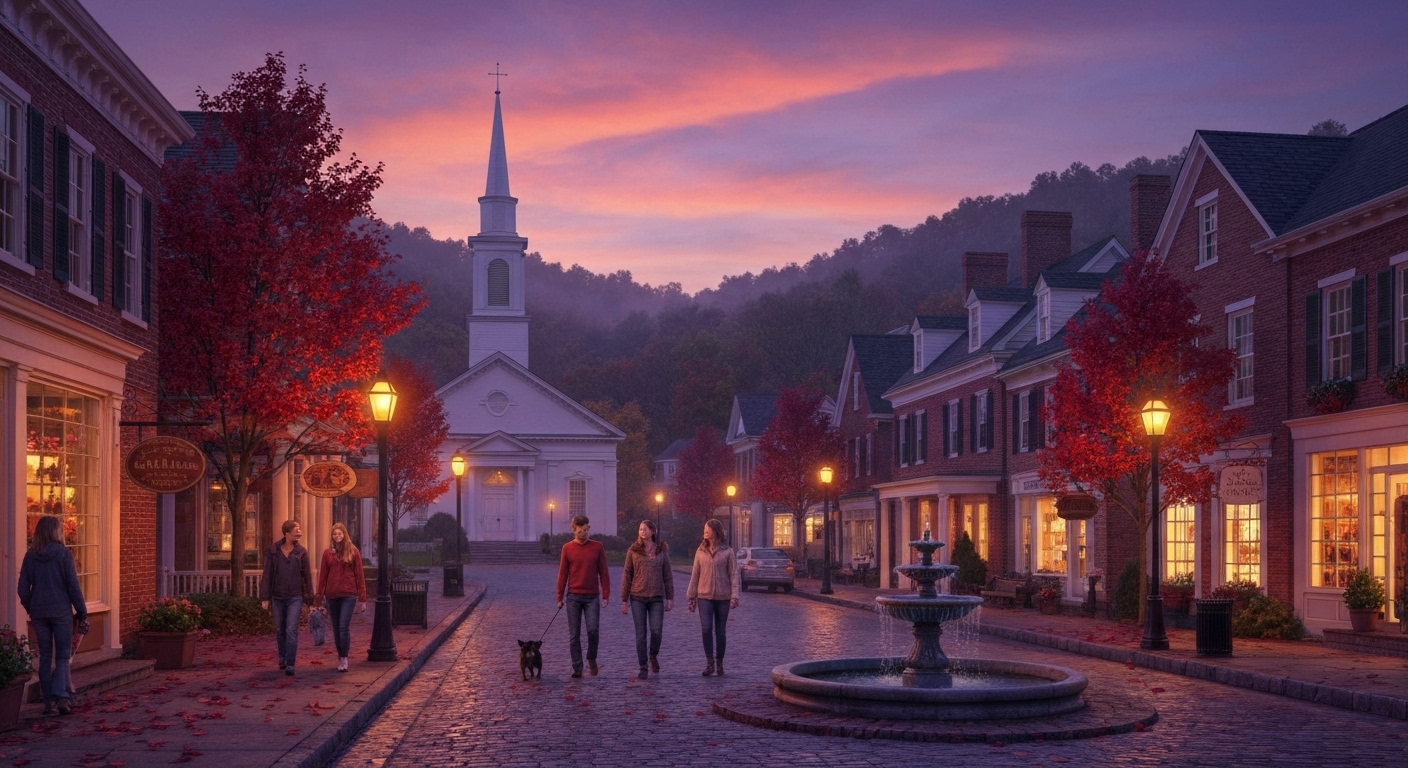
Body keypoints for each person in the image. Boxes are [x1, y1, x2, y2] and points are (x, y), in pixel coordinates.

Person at [18, 515, 86, 715]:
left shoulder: (30, 556)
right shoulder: (63, 554)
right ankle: (62, 697)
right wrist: (81, 611)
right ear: (56, 531)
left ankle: (48, 704)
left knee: (45, 656)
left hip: (39, 612)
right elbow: (73, 586)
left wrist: (31, 606)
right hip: (61, 611)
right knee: (63, 656)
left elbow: (23, 588)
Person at [556, 515, 610, 679]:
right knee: (574, 635)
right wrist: (559, 597)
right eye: (580, 531)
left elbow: (604, 572)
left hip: (592, 596)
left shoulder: (597, 547)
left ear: (588, 528)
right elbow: (563, 573)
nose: (583, 534)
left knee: (593, 630)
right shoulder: (567, 548)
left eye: (586, 530)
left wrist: (605, 594)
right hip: (573, 597)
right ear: (574, 529)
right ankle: (577, 667)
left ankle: (591, 658)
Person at [619, 520, 673, 679]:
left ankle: (653, 655)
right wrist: (624, 599)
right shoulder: (633, 550)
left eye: (645, 529)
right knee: (641, 634)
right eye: (640, 529)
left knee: (656, 631)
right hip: (637, 597)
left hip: (656, 597)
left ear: (652, 531)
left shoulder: (661, 550)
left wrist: (670, 597)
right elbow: (627, 573)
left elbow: (667, 575)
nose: (642, 531)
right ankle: (643, 666)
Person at [686, 518, 739, 676]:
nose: (705, 531)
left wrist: (734, 596)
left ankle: (720, 663)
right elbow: (695, 574)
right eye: (704, 528)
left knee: (720, 631)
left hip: (723, 597)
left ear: (715, 530)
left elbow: (734, 574)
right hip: (704, 596)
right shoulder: (700, 551)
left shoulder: (728, 551)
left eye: (707, 528)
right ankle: (709, 662)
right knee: (706, 628)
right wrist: (692, 597)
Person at [261, 520, 312, 676]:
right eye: (297, 529)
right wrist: (265, 597)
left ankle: (290, 663)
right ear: (287, 533)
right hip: (277, 597)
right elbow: (267, 574)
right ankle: (282, 657)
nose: (299, 532)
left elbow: (307, 576)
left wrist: (310, 598)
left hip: (294, 597)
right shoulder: (274, 551)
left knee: (291, 629)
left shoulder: (301, 552)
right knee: (280, 630)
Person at [315, 522, 367, 673]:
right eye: (334, 534)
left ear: (345, 535)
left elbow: (359, 575)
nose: (337, 536)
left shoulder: (353, 551)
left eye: (340, 534)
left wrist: (362, 599)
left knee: (343, 627)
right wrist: (318, 597)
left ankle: (344, 657)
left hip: (348, 595)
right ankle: (340, 656)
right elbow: (323, 576)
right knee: (337, 629)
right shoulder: (327, 553)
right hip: (332, 595)